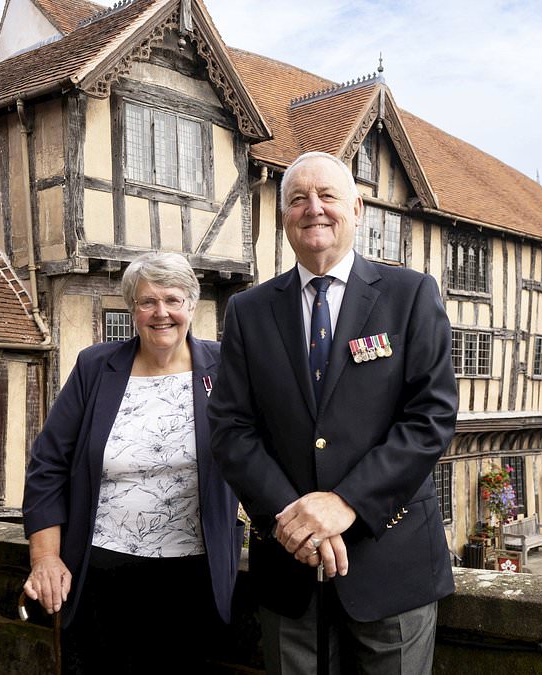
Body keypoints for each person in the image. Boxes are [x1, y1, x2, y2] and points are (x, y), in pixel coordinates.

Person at [209, 151, 458, 674]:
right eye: (298, 199)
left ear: (357, 208)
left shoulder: (411, 296)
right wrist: (293, 520)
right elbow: (232, 429)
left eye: (327, 196)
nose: (313, 209)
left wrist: (346, 502)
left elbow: (430, 416)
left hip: (392, 564)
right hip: (288, 566)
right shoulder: (249, 312)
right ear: (283, 219)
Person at [22, 251, 242, 673]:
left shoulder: (226, 365)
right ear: (132, 309)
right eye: (147, 301)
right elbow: (48, 464)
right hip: (101, 568)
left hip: (195, 572)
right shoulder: (95, 366)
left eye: (173, 300)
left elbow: (264, 444)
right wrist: (45, 558)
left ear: (192, 306)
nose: (161, 312)